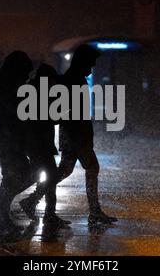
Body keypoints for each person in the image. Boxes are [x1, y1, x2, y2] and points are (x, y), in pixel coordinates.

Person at [20, 44, 118, 225]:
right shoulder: (74, 80)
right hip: (76, 134)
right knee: (92, 167)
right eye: (90, 64)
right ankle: (94, 212)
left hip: (72, 134)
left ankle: (32, 200)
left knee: (63, 171)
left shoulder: (71, 79)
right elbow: (69, 112)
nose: (91, 69)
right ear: (83, 62)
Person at [0, 51, 34, 236]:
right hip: (5, 136)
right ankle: (0, 210)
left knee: (17, 174)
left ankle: (0, 209)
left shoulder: (4, 84)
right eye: (25, 72)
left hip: (7, 135)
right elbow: (9, 112)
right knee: (20, 173)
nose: (26, 76)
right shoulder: (6, 87)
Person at [20, 63, 71, 228]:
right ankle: (40, 208)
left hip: (36, 142)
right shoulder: (41, 93)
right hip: (39, 142)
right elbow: (54, 118)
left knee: (46, 176)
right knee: (50, 176)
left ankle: (35, 204)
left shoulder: (32, 91)